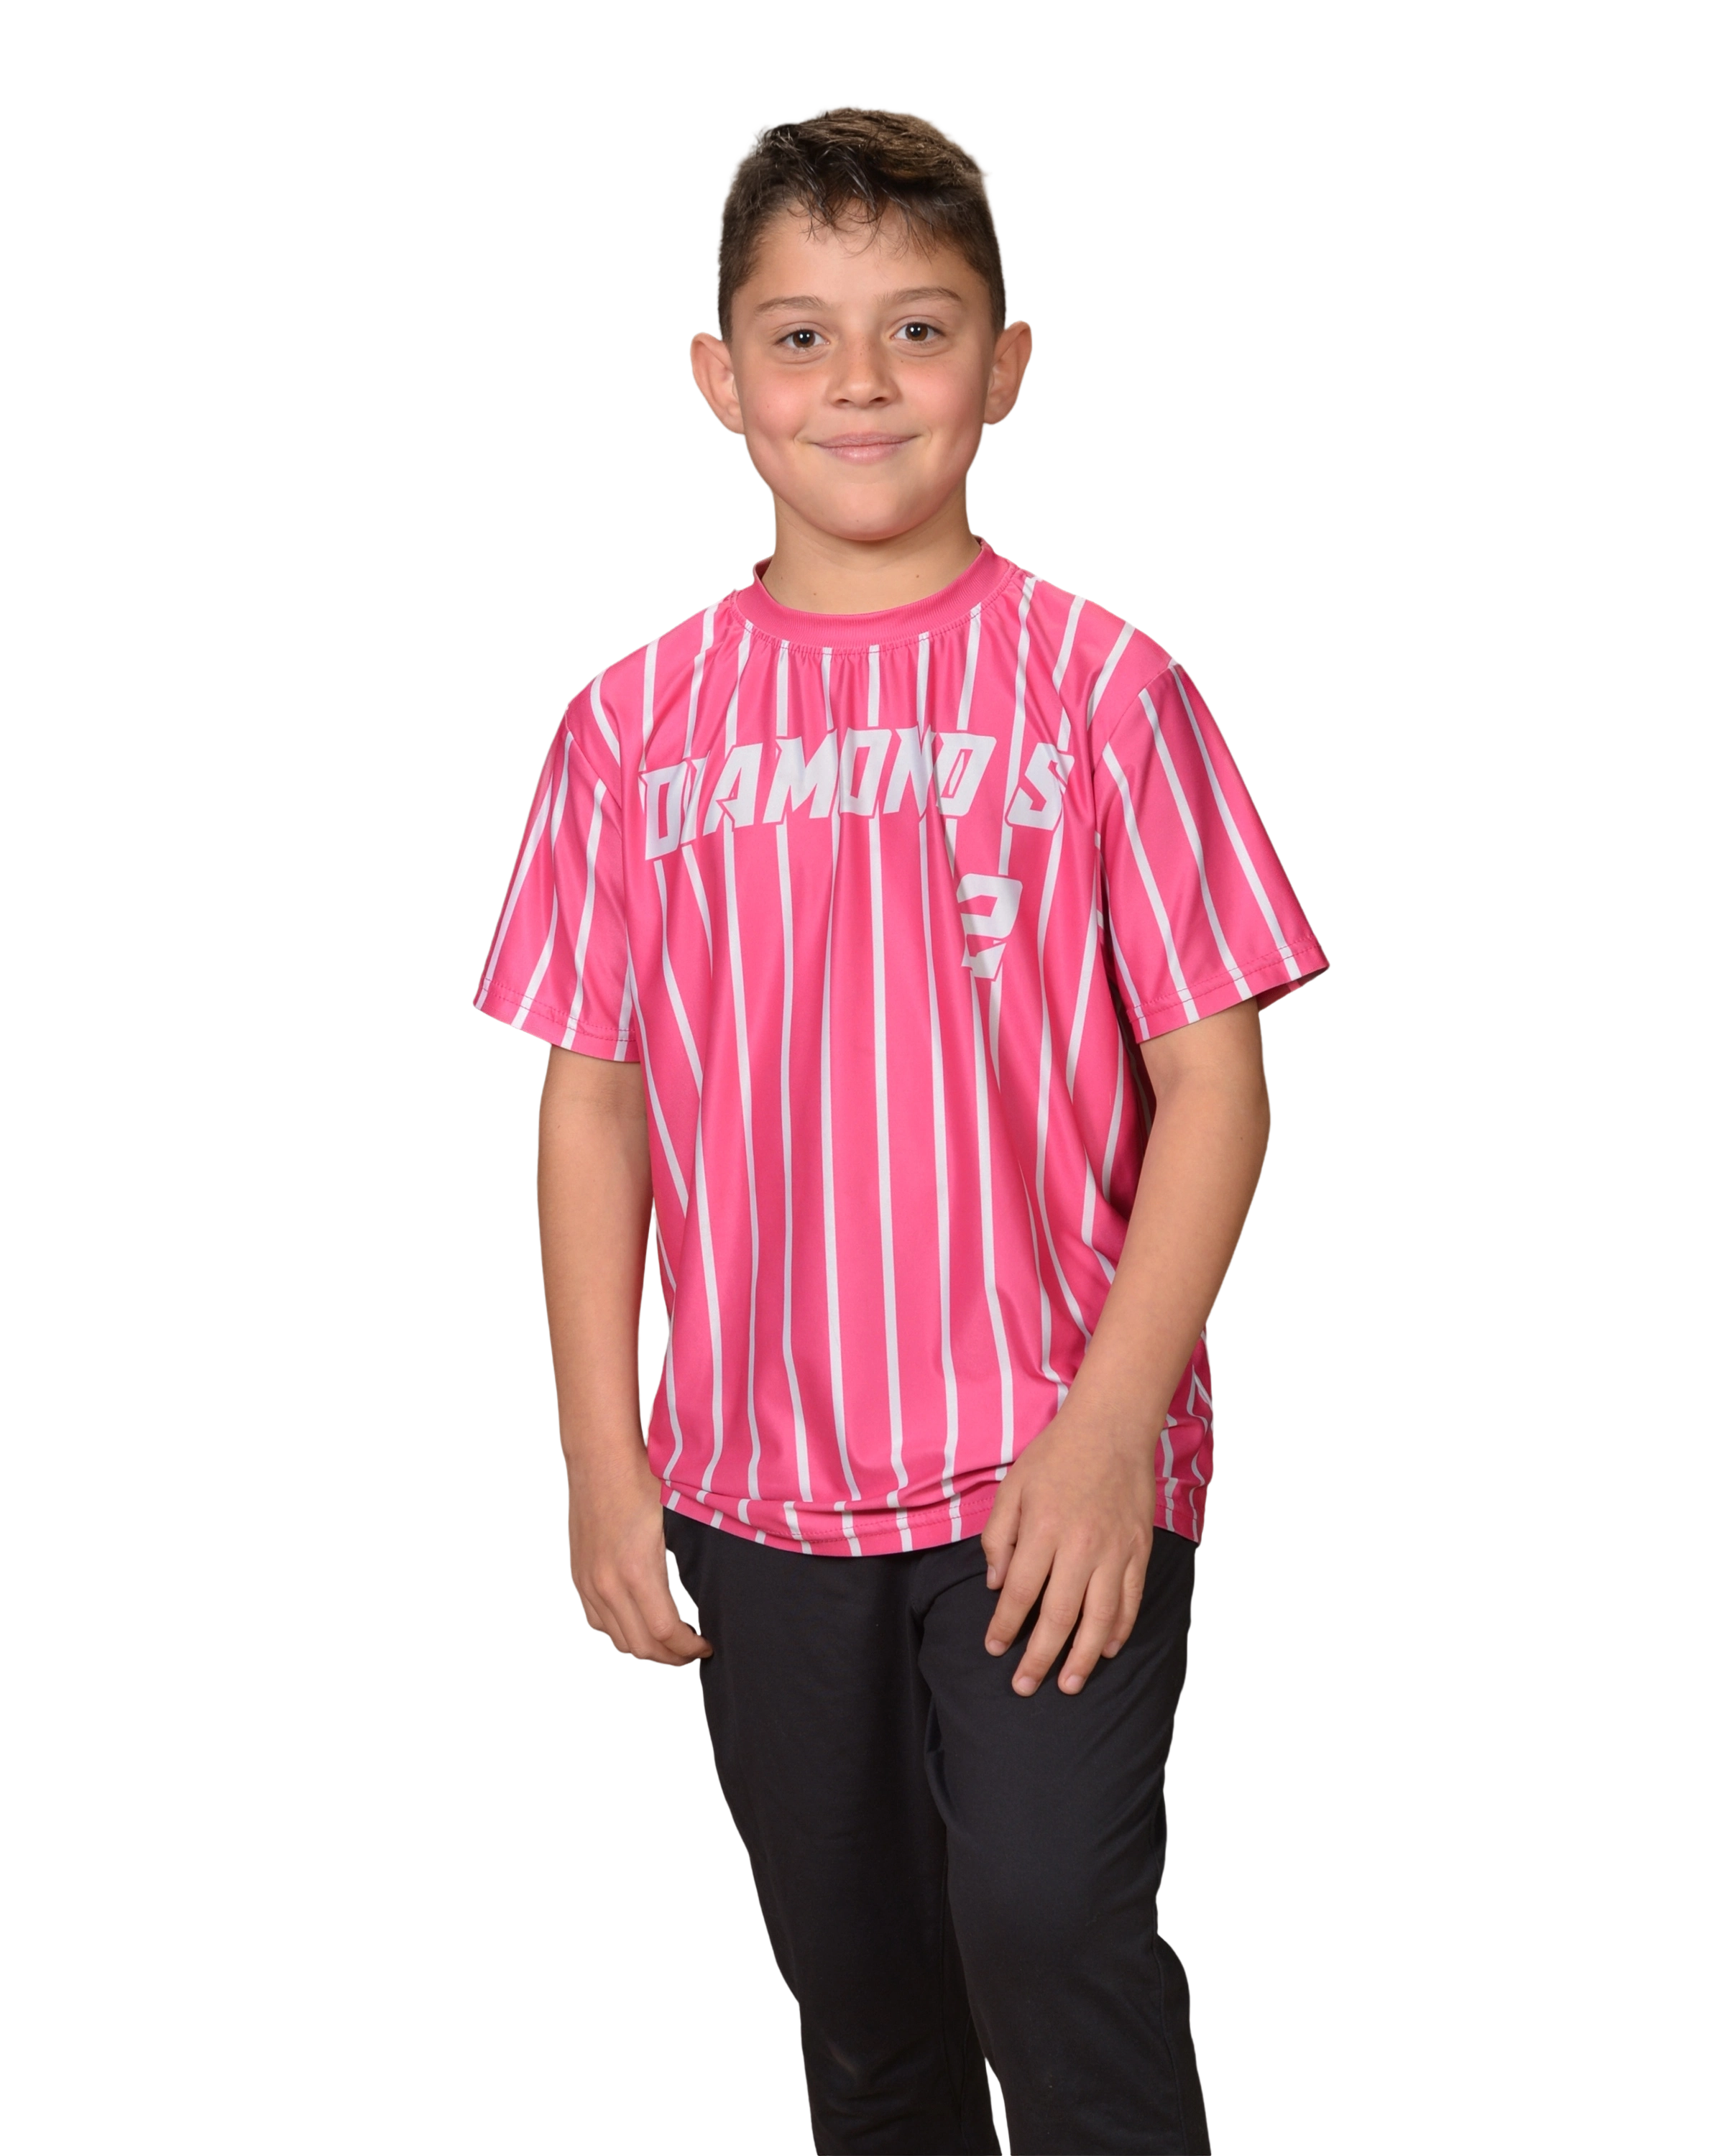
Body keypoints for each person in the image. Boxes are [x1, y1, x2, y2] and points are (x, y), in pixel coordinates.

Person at [472, 102, 1330, 2156]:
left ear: (1007, 366)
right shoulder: (631, 725)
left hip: (1046, 1462)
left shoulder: (1106, 690)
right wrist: (604, 1459)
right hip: (756, 1488)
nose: (859, 382)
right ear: (718, 378)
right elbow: (593, 1098)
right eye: (801, 335)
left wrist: (1111, 1431)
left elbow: (1218, 1079)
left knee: (1048, 1925)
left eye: (918, 330)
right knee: (862, 2008)